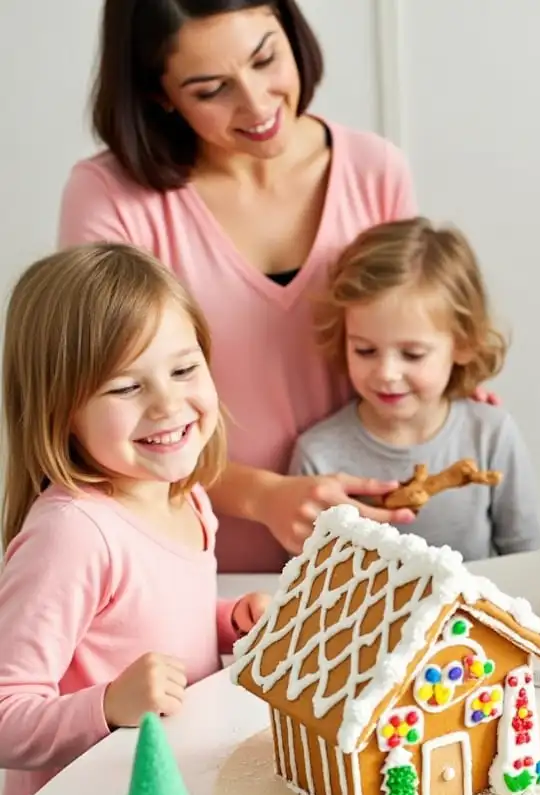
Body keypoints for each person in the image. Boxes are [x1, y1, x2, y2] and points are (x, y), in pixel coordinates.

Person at [57, 0, 495, 573]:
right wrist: (261, 496)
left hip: (370, 563)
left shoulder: (373, 169)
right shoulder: (111, 201)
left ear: (291, 33)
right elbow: (99, 418)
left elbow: (414, 319)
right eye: (211, 89)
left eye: (266, 59)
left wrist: (450, 386)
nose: (258, 104)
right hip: (196, 565)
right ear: (159, 92)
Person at [0, 243, 270, 795]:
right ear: (60, 412)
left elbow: (144, 615)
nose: (168, 403)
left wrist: (228, 622)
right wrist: (107, 706)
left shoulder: (184, 494)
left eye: (183, 369)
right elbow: (6, 715)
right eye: (127, 387)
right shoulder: (73, 536)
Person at [289, 217, 540, 561]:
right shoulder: (318, 456)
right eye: (365, 350)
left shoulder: (492, 435)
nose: (387, 373)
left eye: (412, 354)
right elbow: (303, 578)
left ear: (463, 344)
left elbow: (525, 555)